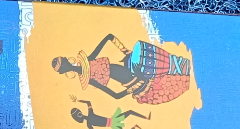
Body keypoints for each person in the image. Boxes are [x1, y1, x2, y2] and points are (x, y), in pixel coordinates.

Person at [52, 34, 191, 104]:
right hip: (133, 79)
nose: (65, 59)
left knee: (147, 56)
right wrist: (133, 86)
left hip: (129, 68)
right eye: (63, 61)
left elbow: (109, 37)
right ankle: (182, 68)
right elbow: (116, 96)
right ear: (64, 69)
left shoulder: (87, 62)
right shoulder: (89, 78)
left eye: (63, 59)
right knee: (166, 74)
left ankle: (181, 66)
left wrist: (124, 50)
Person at [70, 98, 149, 129]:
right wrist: (78, 100)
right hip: (113, 123)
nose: (80, 114)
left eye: (79, 113)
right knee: (130, 113)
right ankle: (141, 121)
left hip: (113, 121)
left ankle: (142, 120)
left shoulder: (89, 121)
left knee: (130, 112)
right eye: (79, 114)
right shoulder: (89, 120)